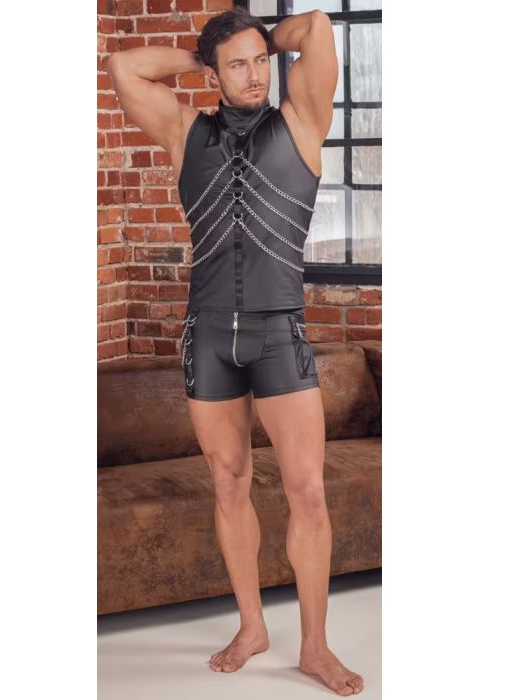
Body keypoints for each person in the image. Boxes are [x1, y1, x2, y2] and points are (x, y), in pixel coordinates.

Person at [107, 7, 364, 696]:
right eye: (238, 65)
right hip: (209, 335)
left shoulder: (301, 120)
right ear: (215, 75)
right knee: (228, 483)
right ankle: (252, 627)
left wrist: (256, 40)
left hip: (279, 332)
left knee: (307, 492)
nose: (255, 75)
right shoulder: (185, 132)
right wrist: (205, 54)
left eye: (260, 62)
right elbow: (123, 67)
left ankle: (315, 647)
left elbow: (316, 26)